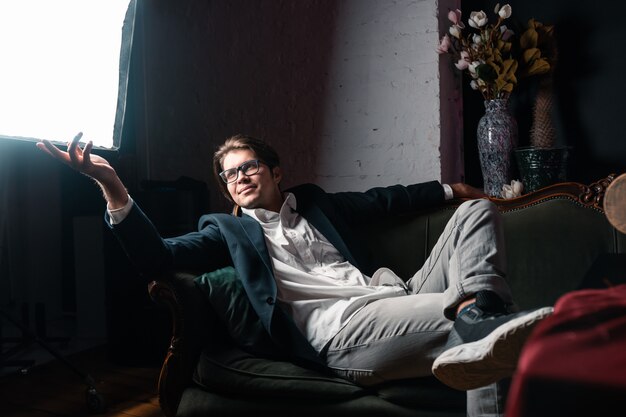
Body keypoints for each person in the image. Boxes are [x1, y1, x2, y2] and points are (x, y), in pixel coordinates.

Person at [37, 132, 552, 413]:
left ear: (275, 172)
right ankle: (483, 318)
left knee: (475, 214)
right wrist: (112, 187)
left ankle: (480, 310)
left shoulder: (313, 203)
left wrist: (452, 191)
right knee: (485, 331)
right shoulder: (225, 232)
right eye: (230, 173)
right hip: (340, 333)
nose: (240, 176)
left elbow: (384, 199)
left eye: (250, 166)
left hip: (392, 295)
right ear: (226, 188)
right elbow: (157, 258)